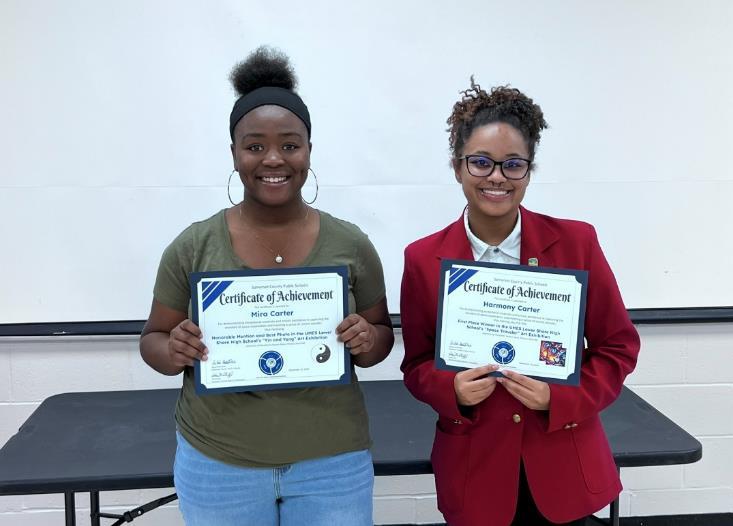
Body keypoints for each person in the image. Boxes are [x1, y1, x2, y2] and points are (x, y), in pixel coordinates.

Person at [140, 47, 394, 526]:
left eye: (290, 145)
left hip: (332, 462)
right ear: (234, 153)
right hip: (218, 463)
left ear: (309, 151)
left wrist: (367, 338)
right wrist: (172, 348)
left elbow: (380, 336)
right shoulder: (193, 245)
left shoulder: (351, 243)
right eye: (254, 146)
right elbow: (152, 340)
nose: (273, 159)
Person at [400, 79, 640, 525]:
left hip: (564, 469)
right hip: (476, 473)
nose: (496, 176)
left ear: (529, 171)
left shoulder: (576, 242)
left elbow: (618, 348)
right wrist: (450, 390)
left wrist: (559, 397)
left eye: (513, 164)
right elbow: (415, 365)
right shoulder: (422, 259)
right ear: (457, 168)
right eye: (481, 162)